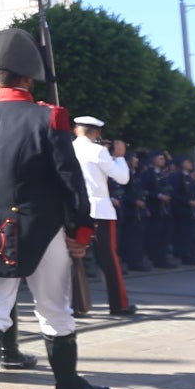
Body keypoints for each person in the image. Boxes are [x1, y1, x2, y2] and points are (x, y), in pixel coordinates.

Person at [0, 28, 112, 389]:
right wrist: (81, 229)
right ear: (28, 77)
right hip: (42, 228)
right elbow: (69, 179)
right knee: (54, 309)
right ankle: (68, 388)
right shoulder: (50, 116)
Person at [72, 117, 133, 315]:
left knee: (74, 256)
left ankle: (76, 304)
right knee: (109, 259)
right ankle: (118, 304)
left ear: (76, 130)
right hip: (100, 210)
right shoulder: (98, 151)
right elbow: (122, 178)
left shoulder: (67, 148)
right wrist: (120, 156)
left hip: (75, 209)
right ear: (96, 133)